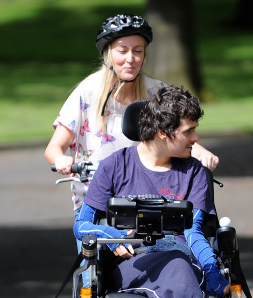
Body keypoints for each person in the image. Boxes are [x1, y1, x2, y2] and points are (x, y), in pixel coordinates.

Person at [73, 85, 246, 298]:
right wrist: (115, 235)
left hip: (178, 262)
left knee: (175, 271)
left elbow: (193, 233)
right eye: (189, 131)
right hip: (130, 265)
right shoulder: (115, 167)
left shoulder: (194, 173)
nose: (196, 138)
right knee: (176, 271)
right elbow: (82, 226)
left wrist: (212, 273)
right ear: (164, 133)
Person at [45, 13, 220, 215]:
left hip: (145, 200)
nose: (130, 59)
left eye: (138, 51)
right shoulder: (87, 93)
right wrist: (61, 160)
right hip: (96, 202)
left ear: (145, 55)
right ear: (108, 53)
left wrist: (200, 152)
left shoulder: (156, 93)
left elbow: (177, 131)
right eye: (122, 51)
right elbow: (54, 147)